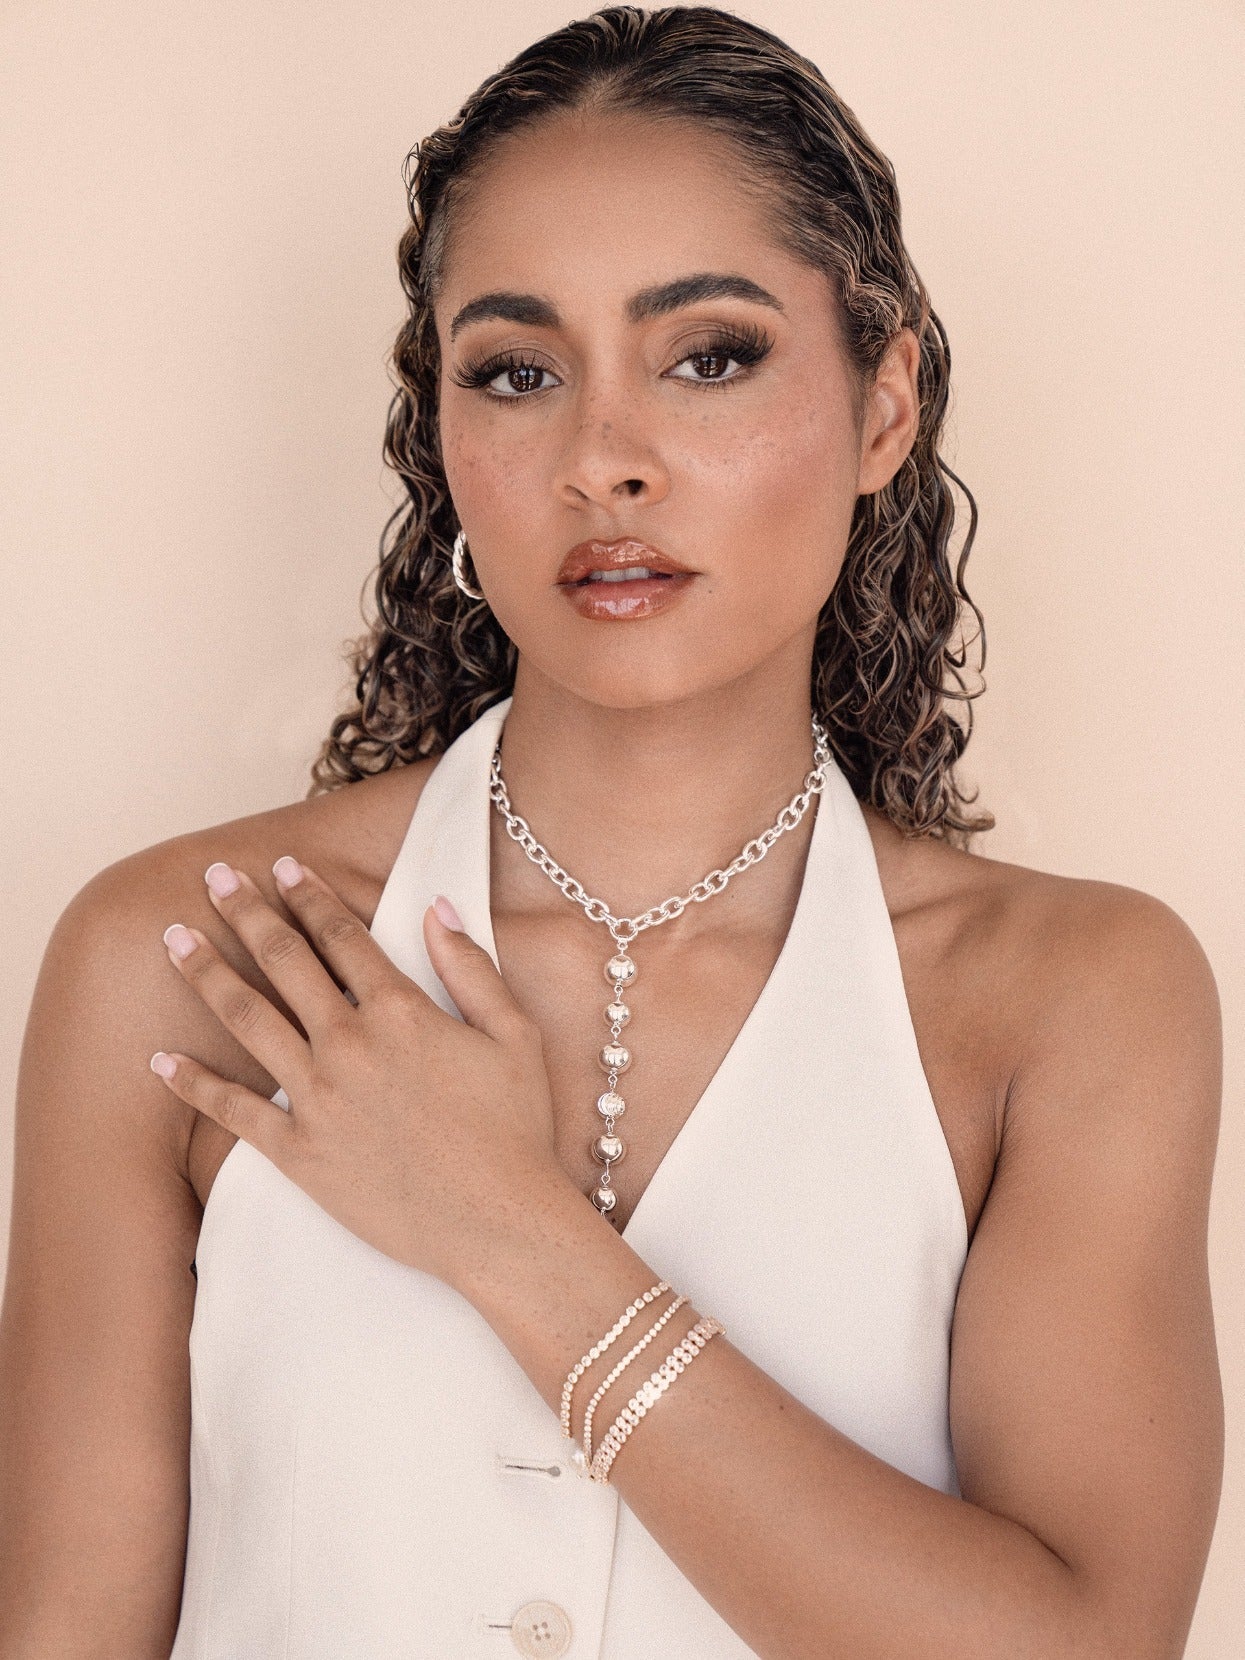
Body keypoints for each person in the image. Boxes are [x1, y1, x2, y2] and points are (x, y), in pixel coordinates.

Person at [0, 6, 1223, 1657]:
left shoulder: (1070, 997)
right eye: (518, 372)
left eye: (708, 356)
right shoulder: (186, 960)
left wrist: (503, 1229)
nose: (603, 462)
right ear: (444, 437)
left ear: (883, 406)